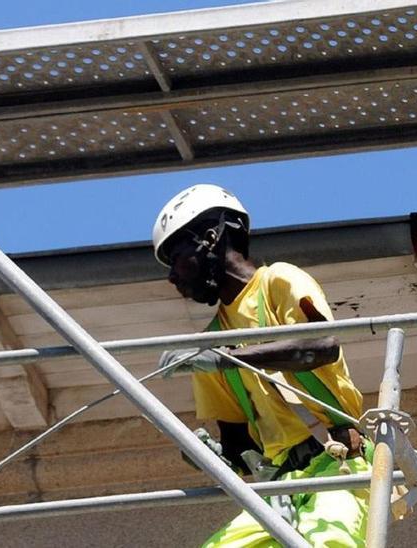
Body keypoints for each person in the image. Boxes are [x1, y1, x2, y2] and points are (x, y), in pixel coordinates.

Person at [151, 184, 372, 547]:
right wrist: (210, 454)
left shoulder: (277, 282)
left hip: (337, 464)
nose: (172, 277)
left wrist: (224, 358)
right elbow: (238, 445)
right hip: (277, 485)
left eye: (176, 257)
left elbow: (321, 346)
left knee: (330, 542)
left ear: (212, 237)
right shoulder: (212, 339)